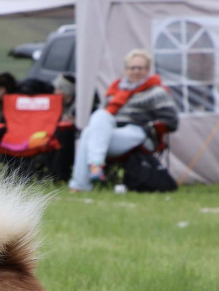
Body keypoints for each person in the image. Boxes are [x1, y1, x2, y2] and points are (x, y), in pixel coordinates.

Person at [69, 49, 178, 191]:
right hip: (111, 131)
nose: (136, 71)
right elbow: (103, 121)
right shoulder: (115, 90)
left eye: (140, 68)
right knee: (99, 118)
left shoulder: (156, 92)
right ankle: (95, 166)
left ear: (148, 69)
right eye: (132, 68)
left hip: (138, 133)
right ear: (126, 70)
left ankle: (81, 183)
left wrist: (151, 127)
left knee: (89, 135)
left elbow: (171, 120)